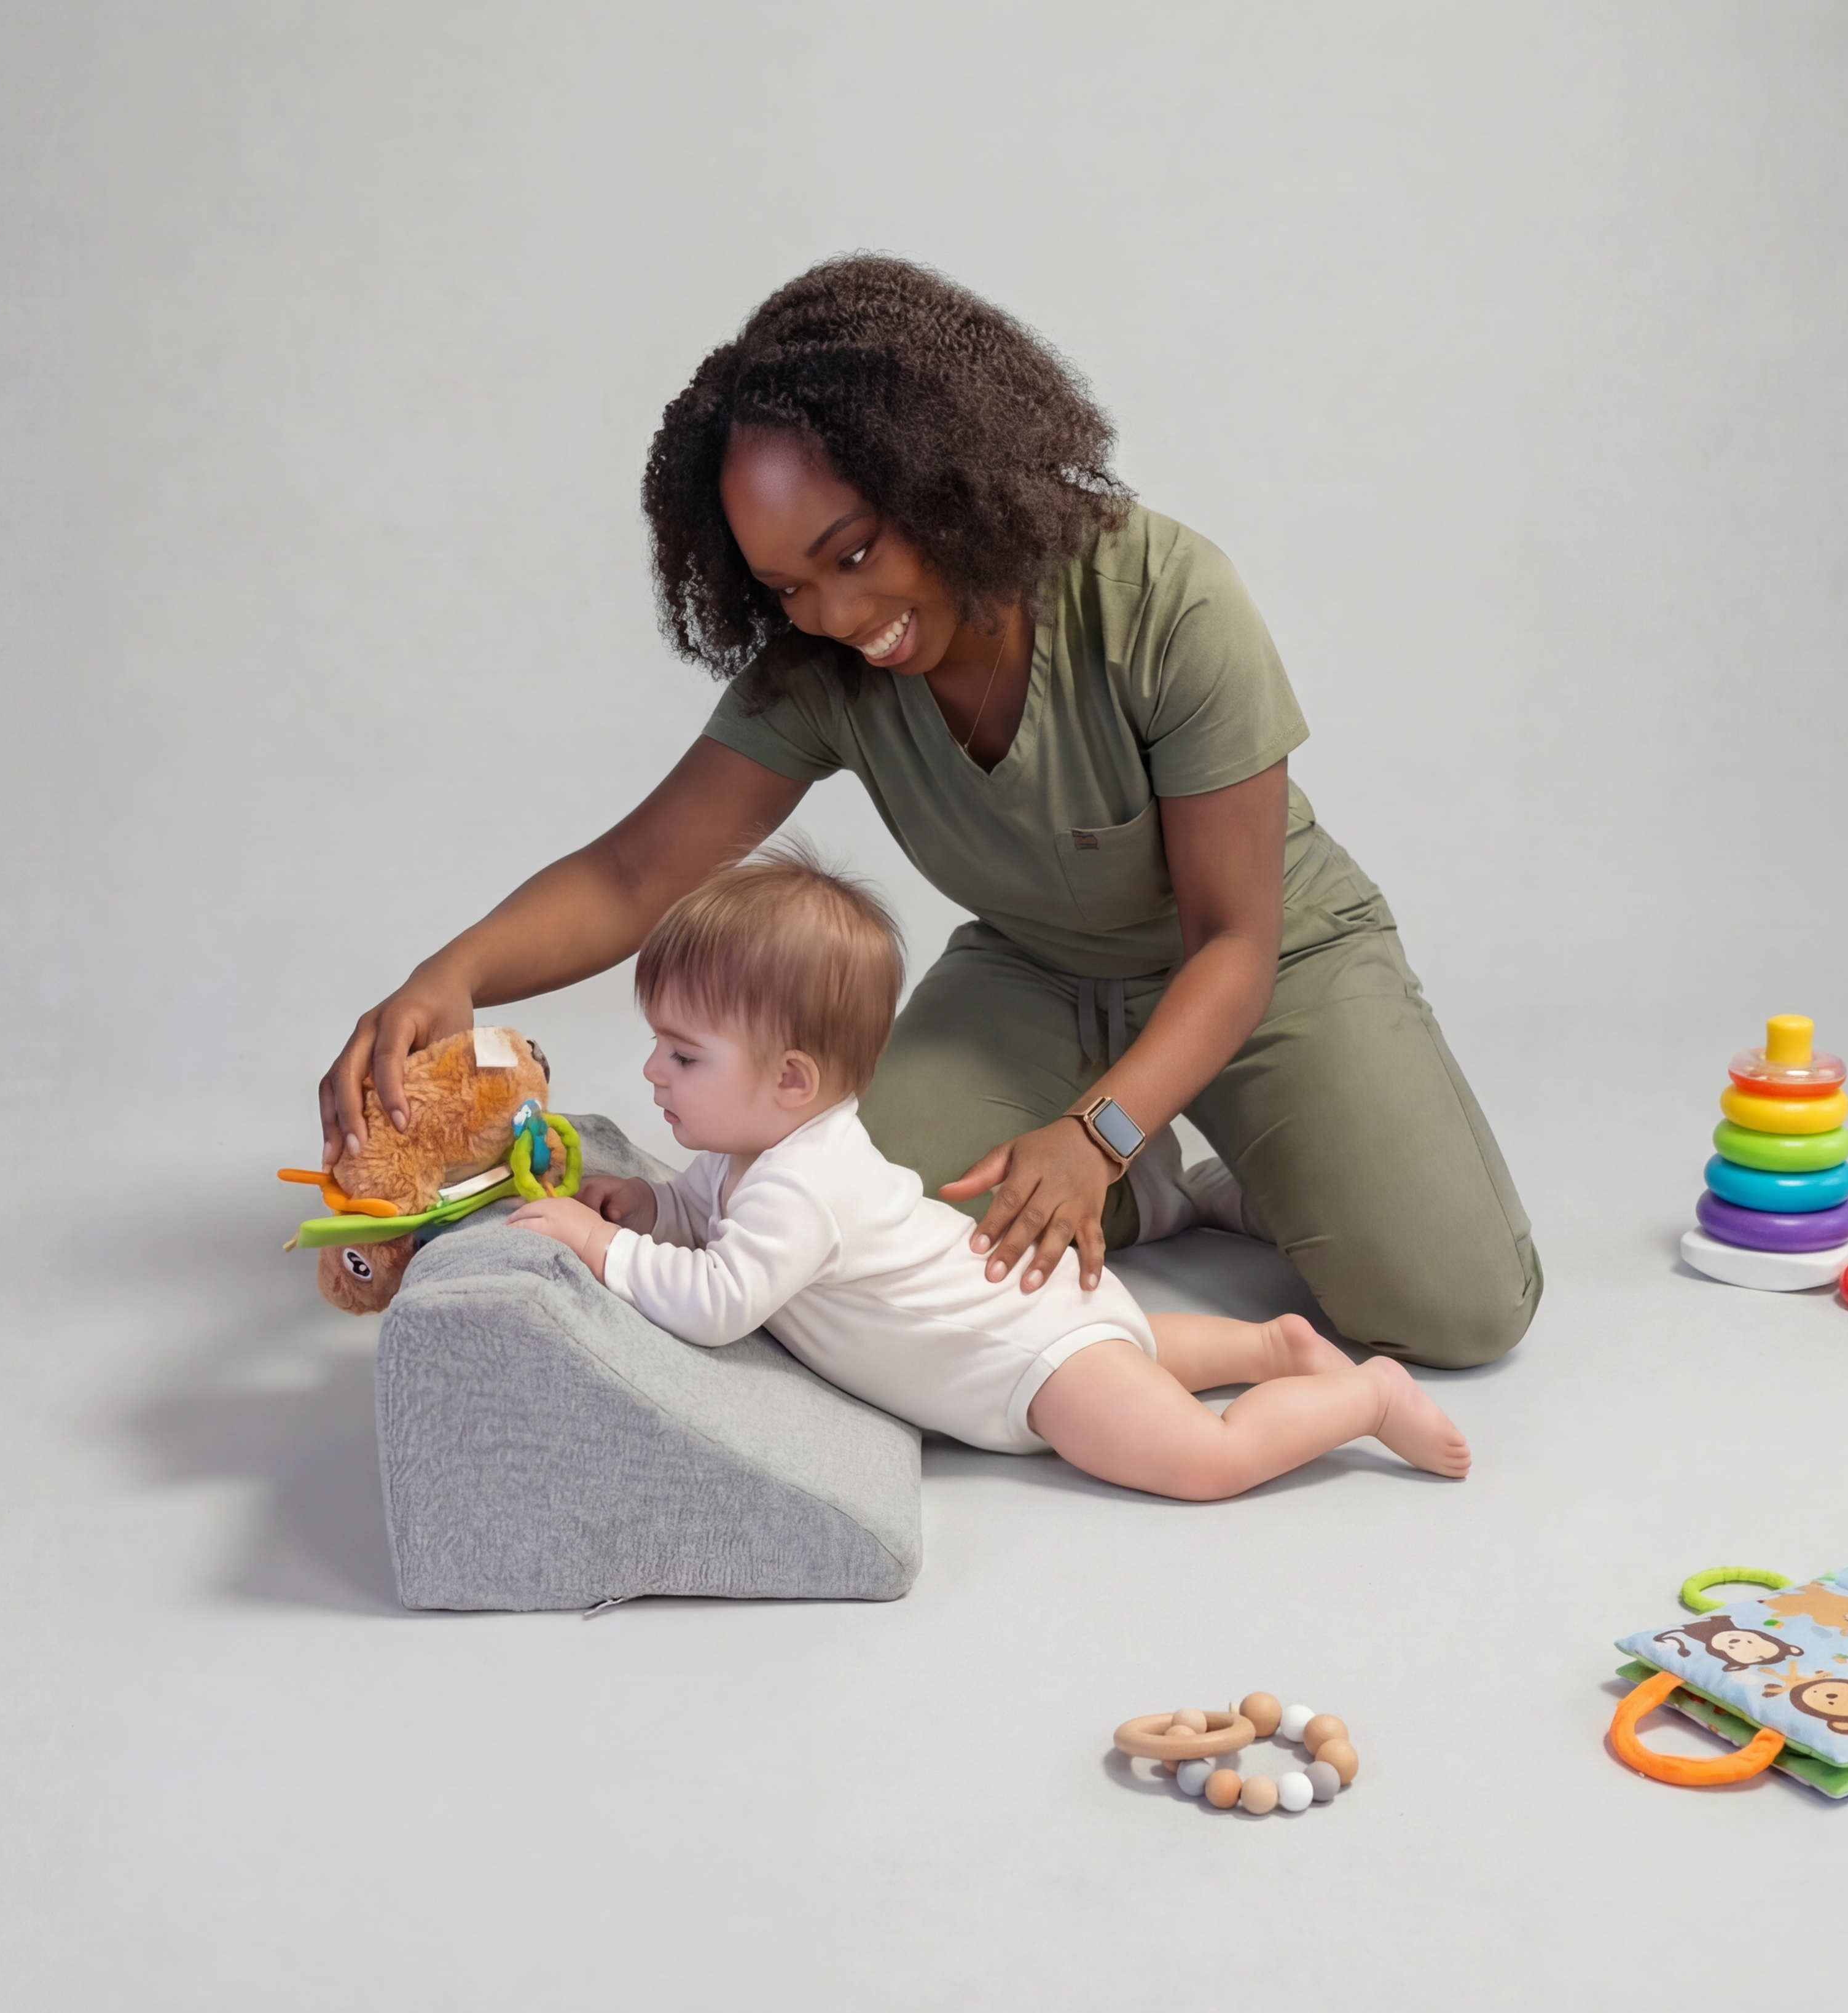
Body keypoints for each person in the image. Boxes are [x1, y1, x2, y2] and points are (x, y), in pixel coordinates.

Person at [323, 256, 1538, 1368]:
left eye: (852, 555)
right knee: (842, 1230)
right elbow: (639, 871)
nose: (837, 616)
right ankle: (1159, 1189)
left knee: (1453, 1309)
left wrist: (1096, 1131)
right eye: (787, 587)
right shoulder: (818, 675)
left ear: (941, 478)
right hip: (1034, 973)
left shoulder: (1169, 600)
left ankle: (1187, 1149)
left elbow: (1236, 942)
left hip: (1268, 965)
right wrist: (454, 973)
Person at [504, 849, 1470, 1496]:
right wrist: (646, 1208)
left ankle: (1365, 1397)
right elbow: (700, 1211)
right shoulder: (760, 1151)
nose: (651, 1073)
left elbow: (718, 1301)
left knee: (1200, 1459)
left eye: (682, 1055)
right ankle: (1270, 1349)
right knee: (1130, 1354)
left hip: (1028, 1366)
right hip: (1033, 1322)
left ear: (791, 1080)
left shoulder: (802, 1186)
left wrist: (601, 1248)